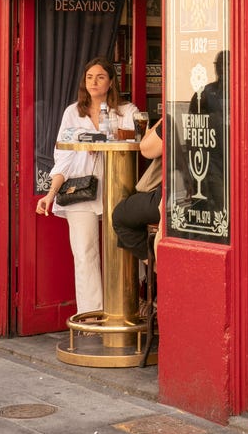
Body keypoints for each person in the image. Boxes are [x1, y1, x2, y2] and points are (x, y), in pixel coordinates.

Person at [35, 57, 138, 315]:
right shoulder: (73, 112)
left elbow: (140, 138)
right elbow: (64, 157)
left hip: (118, 187)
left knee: (123, 250)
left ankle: (123, 311)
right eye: (89, 77)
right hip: (80, 189)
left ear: (111, 81)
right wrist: (51, 193)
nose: (93, 82)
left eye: (100, 76)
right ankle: (92, 316)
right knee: (84, 253)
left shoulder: (126, 111)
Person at [112, 118, 163, 261]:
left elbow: (146, 149)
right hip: (213, 197)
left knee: (120, 216)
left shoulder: (176, 114)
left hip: (175, 196)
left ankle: (157, 269)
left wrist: (164, 116)